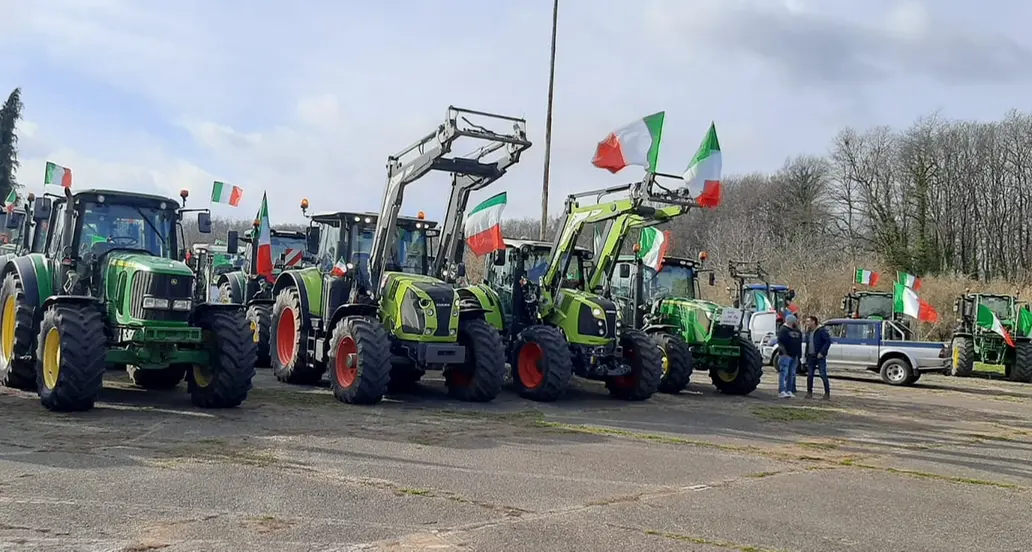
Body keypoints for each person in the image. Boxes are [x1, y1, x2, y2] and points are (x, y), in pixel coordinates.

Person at [803, 315, 832, 399]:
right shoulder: (808, 332)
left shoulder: (821, 331)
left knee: (823, 374)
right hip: (810, 356)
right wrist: (806, 355)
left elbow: (828, 342)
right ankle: (809, 392)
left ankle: (827, 393)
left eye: (808, 321)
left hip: (819, 356)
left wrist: (822, 352)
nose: (807, 323)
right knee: (810, 375)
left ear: (813, 322)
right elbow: (808, 344)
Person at [777, 314, 802, 398]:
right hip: (785, 355)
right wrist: (784, 352)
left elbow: (799, 343)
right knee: (784, 373)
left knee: (792, 374)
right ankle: (782, 390)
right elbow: (780, 342)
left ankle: (789, 390)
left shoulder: (797, 331)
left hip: (794, 356)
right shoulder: (783, 330)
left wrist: (799, 355)